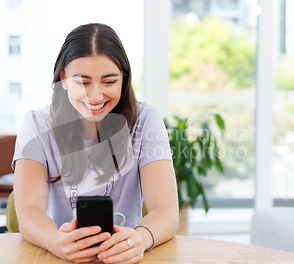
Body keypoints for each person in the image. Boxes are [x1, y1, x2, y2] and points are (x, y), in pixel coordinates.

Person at [12, 23, 178, 264]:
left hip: (124, 258)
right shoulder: (36, 125)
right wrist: (54, 241)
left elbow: (167, 209)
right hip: (59, 256)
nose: (96, 96)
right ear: (64, 79)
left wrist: (140, 240)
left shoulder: (145, 120)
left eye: (109, 82)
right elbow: (28, 210)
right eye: (83, 82)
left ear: (124, 79)